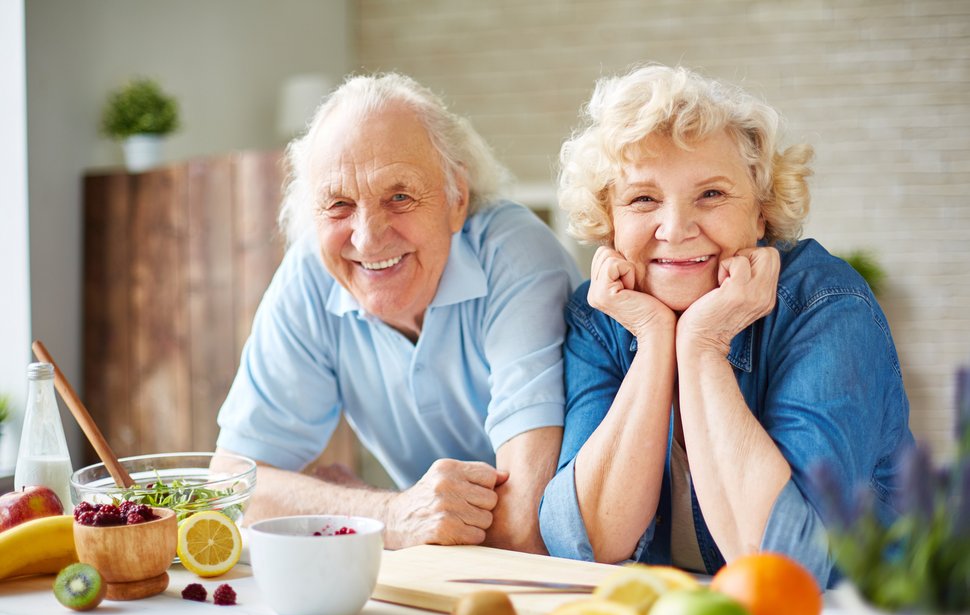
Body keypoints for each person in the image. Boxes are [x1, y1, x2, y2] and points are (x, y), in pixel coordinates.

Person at [538, 64, 913, 587]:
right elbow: (583, 541)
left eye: (711, 194)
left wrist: (703, 343)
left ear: (761, 213)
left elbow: (788, 563)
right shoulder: (602, 314)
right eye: (643, 199)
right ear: (611, 219)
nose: (676, 229)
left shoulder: (827, 304)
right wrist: (654, 340)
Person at [214, 73, 580, 553]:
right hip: (441, 579)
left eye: (400, 197)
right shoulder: (312, 270)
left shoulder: (514, 254)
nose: (367, 238)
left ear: (456, 200)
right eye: (339, 204)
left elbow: (525, 524)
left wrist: (357, 502)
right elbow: (232, 487)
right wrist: (390, 514)